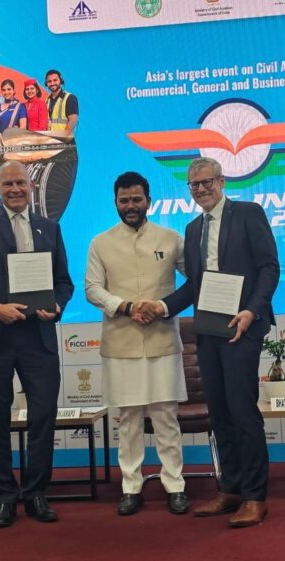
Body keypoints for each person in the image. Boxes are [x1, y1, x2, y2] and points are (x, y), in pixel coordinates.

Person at [138, 156, 279, 528]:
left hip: (243, 327)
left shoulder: (249, 213)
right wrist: (162, 306)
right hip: (209, 328)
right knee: (218, 411)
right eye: (194, 185)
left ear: (222, 181)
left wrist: (251, 311)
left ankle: (255, 496)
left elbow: (269, 268)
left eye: (207, 182)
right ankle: (231, 489)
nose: (201, 190)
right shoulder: (192, 228)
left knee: (241, 410)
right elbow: (195, 285)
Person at [0, 160, 74, 528]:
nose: (15, 190)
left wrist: (56, 305)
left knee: (43, 416)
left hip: (37, 339)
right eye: (8, 184)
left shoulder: (49, 228)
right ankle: (5, 495)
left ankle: (36, 493)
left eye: (21, 183)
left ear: (31, 186)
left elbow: (64, 283)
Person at [85, 171, 190, 517]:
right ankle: (131, 486)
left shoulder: (172, 238)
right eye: (124, 200)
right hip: (121, 342)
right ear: (115, 202)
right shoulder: (100, 242)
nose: (130, 206)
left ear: (149, 201)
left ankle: (174, 485)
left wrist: (162, 306)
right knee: (128, 419)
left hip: (162, 340)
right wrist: (127, 307)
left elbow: (196, 282)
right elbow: (92, 289)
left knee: (165, 417)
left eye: (136, 200)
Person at [45, 69, 78, 136]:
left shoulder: (70, 98)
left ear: (61, 80)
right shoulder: (47, 100)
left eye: (55, 80)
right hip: (50, 140)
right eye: (49, 81)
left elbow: (73, 120)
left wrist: (63, 138)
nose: (52, 83)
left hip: (63, 141)